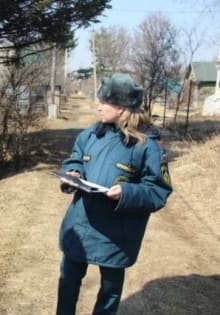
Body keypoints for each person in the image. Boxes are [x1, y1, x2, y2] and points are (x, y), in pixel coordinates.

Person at [56, 73, 173, 315]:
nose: (98, 106)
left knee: (109, 290)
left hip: (117, 233)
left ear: (120, 107)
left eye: (103, 103)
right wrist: (73, 173)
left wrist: (127, 192)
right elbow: (75, 158)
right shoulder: (90, 135)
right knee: (68, 281)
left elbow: (158, 190)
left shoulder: (147, 144)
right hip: (81, 223)